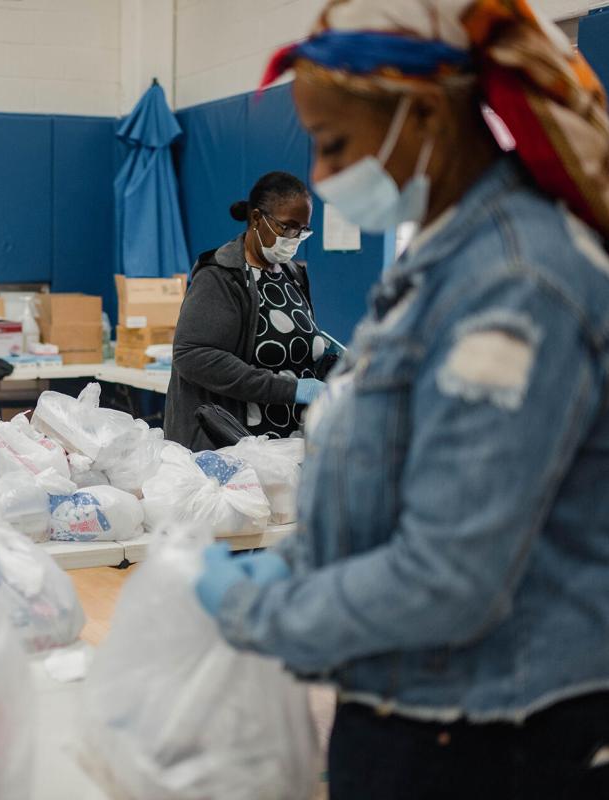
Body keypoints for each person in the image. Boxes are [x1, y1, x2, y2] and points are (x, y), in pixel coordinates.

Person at [194, 1, 609, 798]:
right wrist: (297, 570)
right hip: (418, 707)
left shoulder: (514, 285)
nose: (320, 174)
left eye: (334, 143)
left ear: (420, 113)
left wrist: (265, 616)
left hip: (490, 731)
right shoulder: (440, 265)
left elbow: (450, 576)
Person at [165, 172, 329, 447]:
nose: (295, 238)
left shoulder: (292, 274)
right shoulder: (220, 276)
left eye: (303, 230)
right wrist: (292, 389)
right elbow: (192, 355)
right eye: (287, 228)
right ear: (256, 219)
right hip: (233, 445)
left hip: (285, 444)